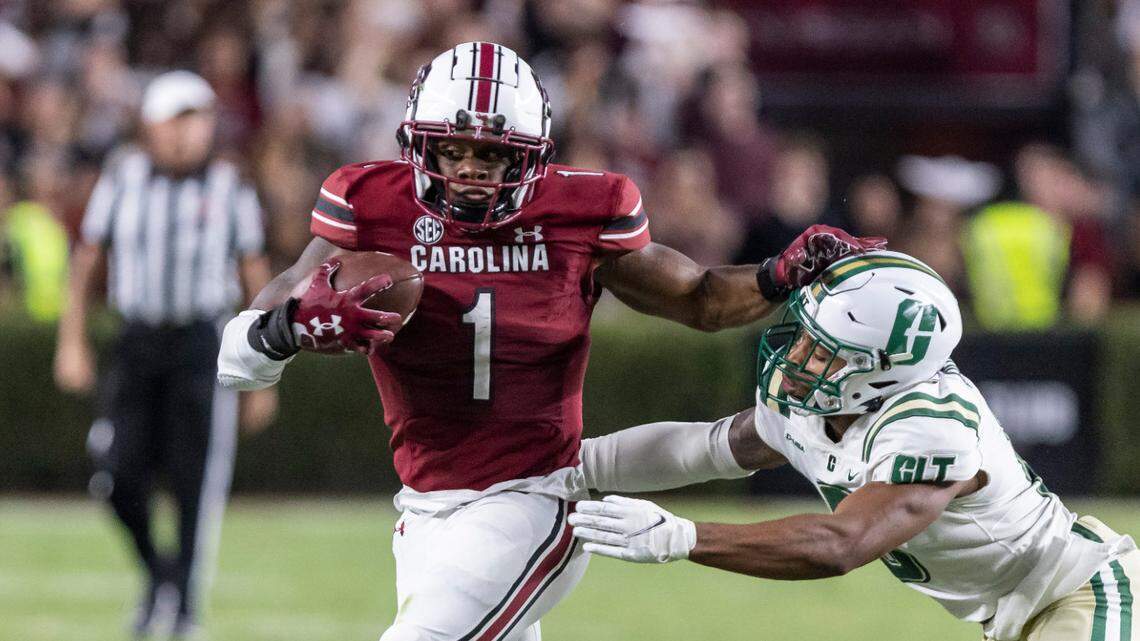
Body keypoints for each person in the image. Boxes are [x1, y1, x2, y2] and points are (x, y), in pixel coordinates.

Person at [216, 41, 884, 641]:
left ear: (533, 156)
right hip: (423, 508)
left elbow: (700, 298)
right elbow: (238, 355)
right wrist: (287, 328)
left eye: (494, 154)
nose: (472, 170)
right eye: (454, 149)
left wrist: (780, 273)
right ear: (419, 145)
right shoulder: (369, 203)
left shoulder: (582, 212)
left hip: (535, 499)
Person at [569, 249, 1139, 641]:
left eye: (823, 352)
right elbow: (709, 447)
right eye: (805, 337)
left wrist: (683, 537)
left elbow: (842, 542)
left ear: (883, 371)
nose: (797, 359)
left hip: (1081, 591)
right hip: (1017, 614)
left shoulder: (932, 424)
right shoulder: (820, 404)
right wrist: (572, 464)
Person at [53, 70, 277, 638]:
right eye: (175, 120)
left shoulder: (230, 187)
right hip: (137, 342)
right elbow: (86, 264)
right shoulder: (122, 180)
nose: (185, 134)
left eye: (196, 119)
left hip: (202, 347)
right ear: (150, 127)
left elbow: (257, 277)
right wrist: (72, 339)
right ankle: (162, 577)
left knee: (193, 482)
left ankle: (183, 612)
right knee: (115, 476)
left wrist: (266, 373)